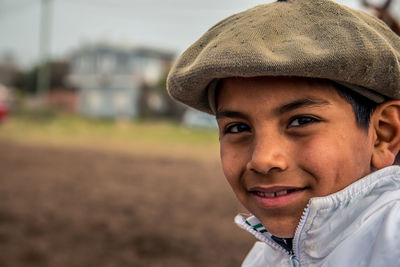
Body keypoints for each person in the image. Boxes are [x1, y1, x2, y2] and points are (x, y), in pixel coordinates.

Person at [166, 0, 400, 266]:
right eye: (238, 128)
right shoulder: (263, 259)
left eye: (301, 121)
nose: (264, 160)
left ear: (383, 133)